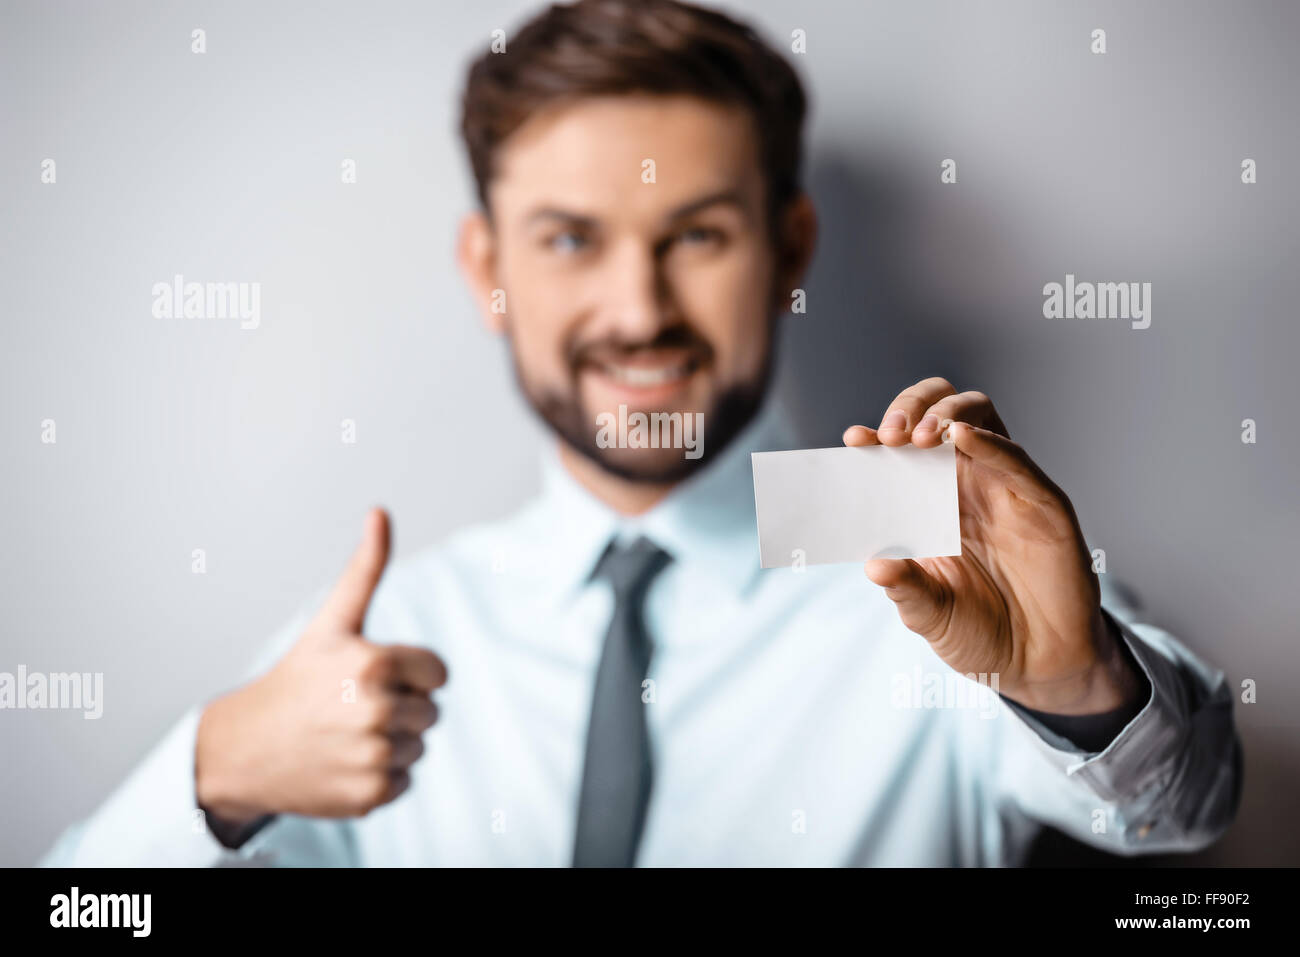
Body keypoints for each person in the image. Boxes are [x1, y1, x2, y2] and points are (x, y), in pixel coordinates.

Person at [42, 0, 1241, 867]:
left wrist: (1077, 686)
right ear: (486, 268)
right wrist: (211, 779)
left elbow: (1187, 813)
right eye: (570, 239)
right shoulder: (374, 651)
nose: (638, 311)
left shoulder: (947, 566)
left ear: (791, 253)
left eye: (698, 234)